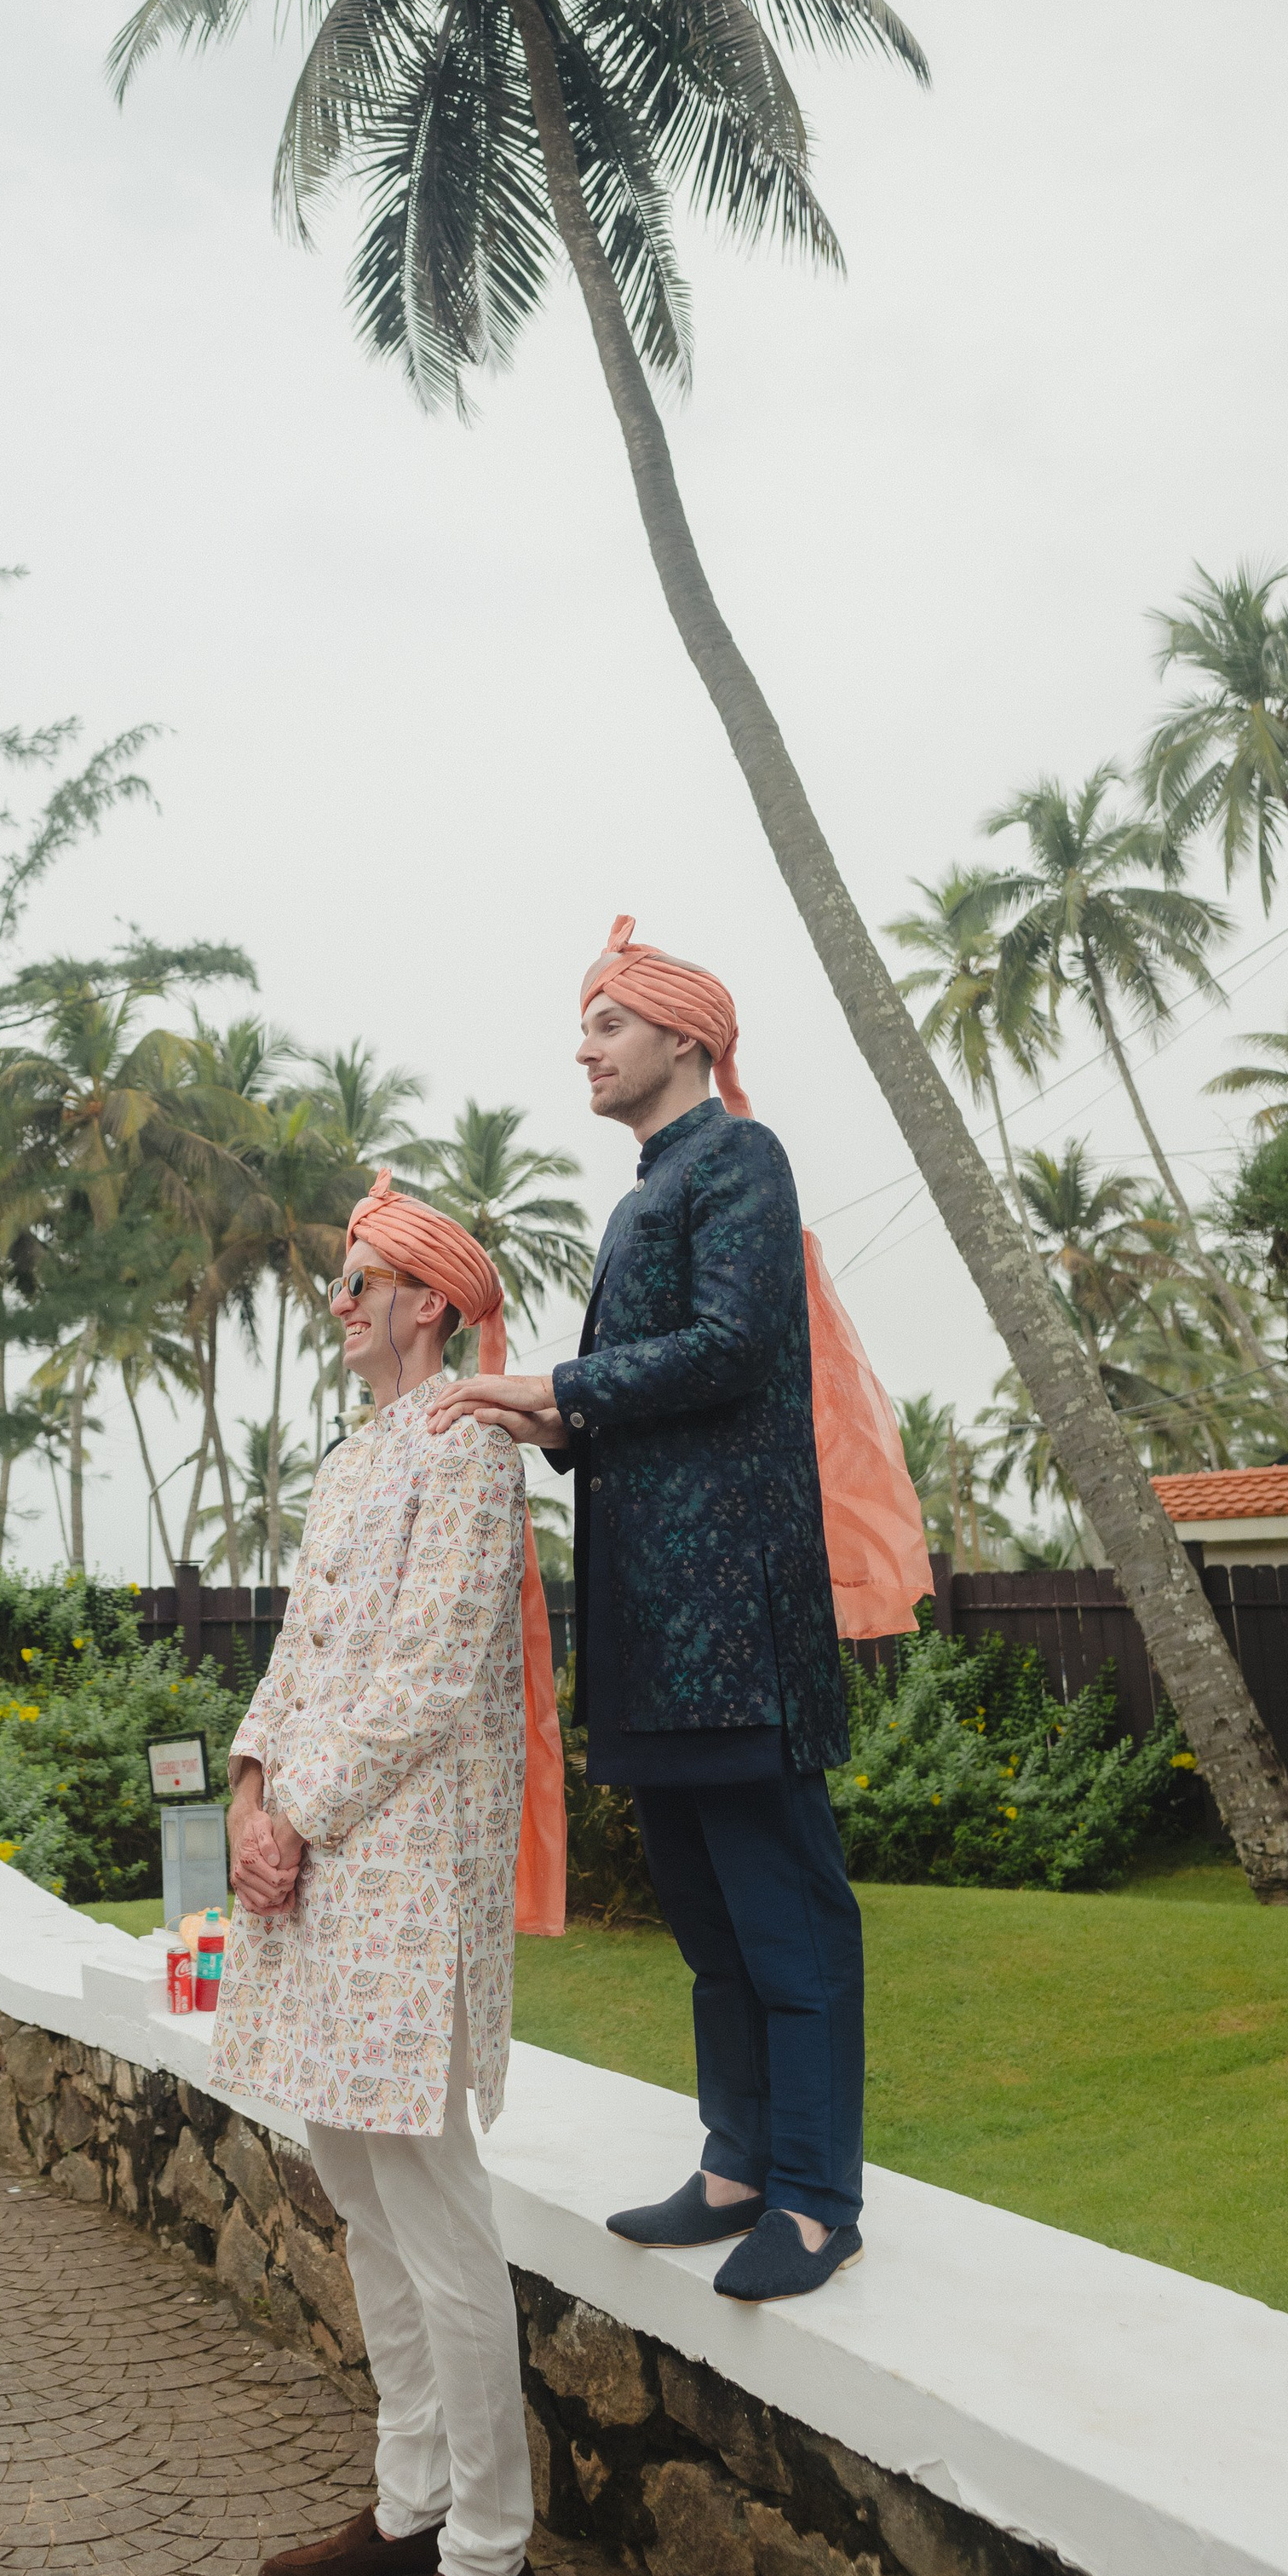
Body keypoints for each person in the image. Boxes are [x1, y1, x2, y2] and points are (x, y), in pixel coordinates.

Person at [434, 921, 870, 2302]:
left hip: (736, 1624)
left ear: (685, 1036)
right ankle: (736, 2164)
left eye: (609, 1021)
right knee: (705, 1919)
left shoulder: (740, 1156)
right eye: (586, 1023)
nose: (584, 1047)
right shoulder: (641, 1198)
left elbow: (734, 1345)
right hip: (653, 1630)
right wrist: (551, 1420)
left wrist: (564, 1389)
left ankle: (818, 2198)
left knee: (785, 1915)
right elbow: (649, 1391)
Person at [210, 1171, 564, 2576]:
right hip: (320, 1875)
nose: (339, 1300)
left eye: (362, 1279)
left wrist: (299, 1808)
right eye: (341, 1279)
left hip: (406, 1871)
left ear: (429, 1302)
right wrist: (248, 1789)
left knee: (433, 2201)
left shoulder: (472, 1446)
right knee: (358, 2183)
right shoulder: (354, 1460)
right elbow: (299, 1653)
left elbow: (428, 1673)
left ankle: (490, 2564)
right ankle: (412, 2501)